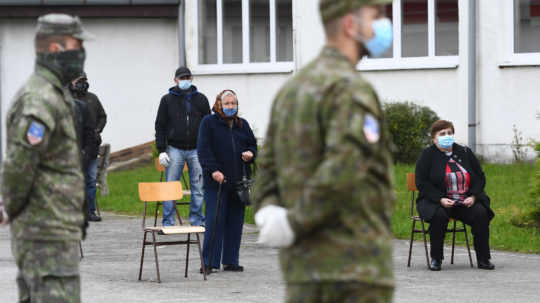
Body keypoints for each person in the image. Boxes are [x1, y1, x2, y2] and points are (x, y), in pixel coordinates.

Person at [252, 0, 395, 302]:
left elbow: (266, 169)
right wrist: (295, 222)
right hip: (353, 272)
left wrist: (269, 214)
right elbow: (346, 166)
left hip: (303, 270)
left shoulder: (291, 90)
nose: (384, 23)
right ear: (349, 25)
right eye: (376, 15)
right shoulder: (350, 89)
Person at [2, 13, 92, 302]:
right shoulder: (39, 99)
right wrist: (11, 207)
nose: (81, 54)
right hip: (46, 233)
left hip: (53, 229)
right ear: (56, 49)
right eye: (76, 46)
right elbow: (19, 164)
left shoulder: (54, 93)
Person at [415, 120, 495, 271]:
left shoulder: (464, 152)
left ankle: (484, 259)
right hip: (437, 201)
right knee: (438, 216)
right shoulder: (427, 155)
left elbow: (479, 176)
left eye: (449, 133)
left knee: (481, 213)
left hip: (464, 201)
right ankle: (436, 258)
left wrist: (474, 196)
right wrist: (440, 199)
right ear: (434, 138)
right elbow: (421, 182)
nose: (447, 136)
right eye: (442, 134)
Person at [197, 89, 257, 274]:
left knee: (235, 222)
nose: (231, 107)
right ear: (219, 104)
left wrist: (251, 154)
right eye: (227, 103)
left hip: (239, 183)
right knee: (215, 221)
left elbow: (252, 145)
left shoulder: (242, 124)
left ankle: (231, 261)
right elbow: (203, 149)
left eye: (233, 103)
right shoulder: (209, 123)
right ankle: (209, 262)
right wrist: (213, 170)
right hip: (217, 182)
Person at [155, 67, 210, 226]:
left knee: (198, 187)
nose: (185, 80)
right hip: (174, 149)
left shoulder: (201, 99)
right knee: (171, 186)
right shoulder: (166, 100)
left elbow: (208, 125)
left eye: (187, 77)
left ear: (191, 79)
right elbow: (160, 126)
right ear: (175, 80)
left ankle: (197, 220)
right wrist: (161, 150)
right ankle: (168, 221)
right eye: (181, 78)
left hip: (197, 149)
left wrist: (207, 148)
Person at [70, 72, 107, 222]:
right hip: (73, 147)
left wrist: (98, 130)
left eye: (85, 80)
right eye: (79, 80)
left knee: (91, 180)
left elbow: (102, 116)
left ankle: (90, 211)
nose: (83, 83)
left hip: (91, 146)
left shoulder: (92, 98)